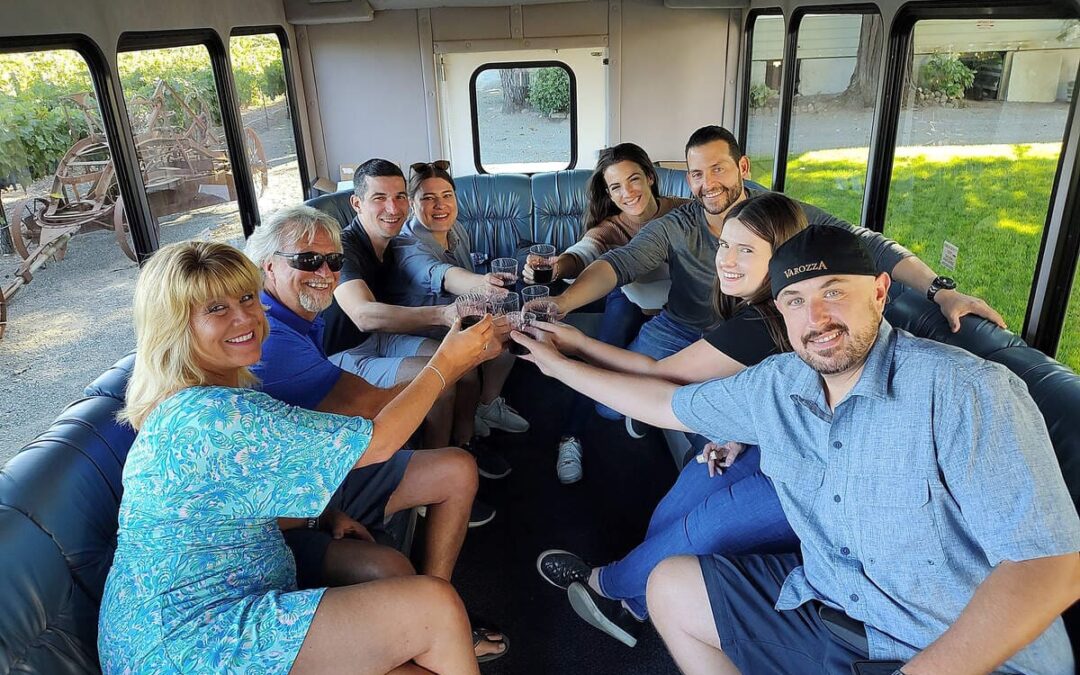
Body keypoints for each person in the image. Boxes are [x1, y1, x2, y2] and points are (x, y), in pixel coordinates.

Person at [514, 227, 1080, 675]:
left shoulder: (966, 390)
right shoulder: (780, 382)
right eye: (796, 300)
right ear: (779, 312)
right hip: (834, 612)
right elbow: (665, 404)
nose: (818, 319)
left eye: (834, 292)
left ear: (880, 292)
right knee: (670, 585)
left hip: (961, 652)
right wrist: (557, 365)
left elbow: (1051, 566)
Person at [98, 240, 491, 674]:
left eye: (247, 297)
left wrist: (319, 519)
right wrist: (447, 364)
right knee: (434, 606)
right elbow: (378, 442)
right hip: (189, 642)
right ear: (174, 326)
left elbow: (222, 509)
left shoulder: (186, 400)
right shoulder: (214, 414)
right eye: (215, 309)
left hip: (170, 625)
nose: (244, 317)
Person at [549, 126, 1006, 428]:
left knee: (702, 435)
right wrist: (563, 304)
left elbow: (866, 242)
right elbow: (617, 262)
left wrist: (941, 291)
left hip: (739, 335)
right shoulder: (677, 224)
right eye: (695, 174)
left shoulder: (780, 215)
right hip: (679, 327)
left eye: (718, 169)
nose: (707, 183)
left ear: (742, 168)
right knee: (608, 408)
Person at [531, 192, 804, 647]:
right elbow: (774, 397)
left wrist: (565, 357)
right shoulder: (755, 308)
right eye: (724, 246)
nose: (728, 261)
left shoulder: (765, 322)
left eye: (747, 250)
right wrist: (738, 432)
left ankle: (606, 586)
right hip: (765, 438)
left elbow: (664, 380)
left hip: (807, 471)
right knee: (676, 507)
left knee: (705, 526)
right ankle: (640, 600)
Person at [245, 205, 508, 662]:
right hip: (294, 505)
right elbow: (369, 412)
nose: (325, 273)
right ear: (268, 265)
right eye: (307, 261)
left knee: (457, 469)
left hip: (321, 481)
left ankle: (435, 607)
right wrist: (454, 362)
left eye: (332, 261)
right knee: (385, 562)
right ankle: (432, 623)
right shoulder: (269, 338)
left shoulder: (301, 313)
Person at [321, 158, 515, 476]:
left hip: (380, 340)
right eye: (379, 198)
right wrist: (443, 313)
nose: (392, 208)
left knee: (463, 363)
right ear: (356, 203)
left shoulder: (393, 242)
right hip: (345, 352)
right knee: (440, 379)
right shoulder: (343, 248)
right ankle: (435, 474)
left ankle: (464, 446)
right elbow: (363, 315)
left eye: (398, 196)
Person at [522, 143, 690, 483]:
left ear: (651, 178)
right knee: (603, 351)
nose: (628, 193)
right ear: (609, 195)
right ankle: (571, 436)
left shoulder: (686, 211)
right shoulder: (611, 228)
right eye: (616, 187)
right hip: (630, 299)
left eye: (634, 180)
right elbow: (584, 252)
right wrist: (557, 268)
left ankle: (643, 407)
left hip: (681, 308)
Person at [390, 159, 528, 441]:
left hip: (459, 317)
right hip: (422, 328)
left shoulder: (456, 231)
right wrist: (483, 282)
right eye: (428, 198)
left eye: (446, 196)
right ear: (412, 205)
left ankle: (486, 406)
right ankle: (464, 438)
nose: (440, 205)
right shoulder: (406, 245)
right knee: (485, 347)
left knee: (513, 327)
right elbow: (442, 275)